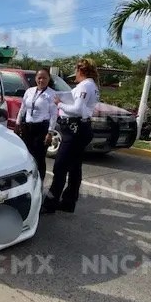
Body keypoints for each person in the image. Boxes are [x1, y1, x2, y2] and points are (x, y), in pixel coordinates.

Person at [43, 58, 100, 214]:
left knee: (60, 167)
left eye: (76, 70)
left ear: (80, 71)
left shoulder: (85, 86)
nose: (75, 73)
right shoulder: (91, 85)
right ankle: (68, 202)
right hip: (80, 129)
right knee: (75, 168)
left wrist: (59, 103)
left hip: (75, 130)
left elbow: (77, 109)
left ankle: (50, 203)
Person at [15, 68, 57, 180]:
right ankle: (27, 180)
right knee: (27, 155)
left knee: (39, 157)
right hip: (28, 127)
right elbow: (23, 108)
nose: (41, 80)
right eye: (39, 77)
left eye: (44, 78)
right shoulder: (29, 91)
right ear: (35, 79)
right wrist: (18, 123)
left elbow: (54, 114)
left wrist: (50, 132)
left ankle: (39, 181)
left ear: (48, 79)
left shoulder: (52, 94)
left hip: (41, 128)